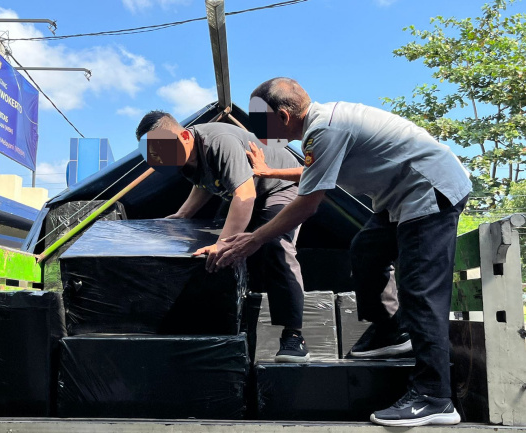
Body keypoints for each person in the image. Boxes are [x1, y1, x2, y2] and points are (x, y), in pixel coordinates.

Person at [215, 78, 471, 427]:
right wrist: (270, 171)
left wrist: (254, 239)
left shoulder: (324, 130)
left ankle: (434, 397)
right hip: (400, 197)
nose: (259, 129)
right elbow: (314, 171)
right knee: (366, 250)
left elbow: (307, 204)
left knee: (420, 290)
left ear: (284, 116)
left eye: (262, 120)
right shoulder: (321, 129)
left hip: (429, 189)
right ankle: (390, 330)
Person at [136, 110, 309, 363]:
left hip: (279, 188)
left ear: (185, 136)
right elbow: (204, 183)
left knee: (273, 243)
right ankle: (223, 324)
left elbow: (245, 195)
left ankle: (294, 336)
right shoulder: (182, 156)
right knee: (207, 244)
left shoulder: (218, 142)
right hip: (246, 192)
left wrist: (223, 244)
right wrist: (183, 214)